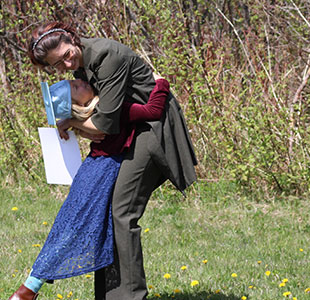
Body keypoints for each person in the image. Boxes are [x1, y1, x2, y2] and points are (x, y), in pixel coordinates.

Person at [23, 21, 197, 300]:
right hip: (129, 131)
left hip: (152, 130)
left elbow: (104, 124)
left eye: (67, 55)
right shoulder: (81, 65)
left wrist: (75, 124)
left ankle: (128, 296)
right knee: (108, 208)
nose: (67, 65)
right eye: (58, 65)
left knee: (123, 211)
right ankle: (109, 295)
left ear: (71, 37)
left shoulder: (106, 56)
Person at [8, 76, 171, 300]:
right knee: (75, 229)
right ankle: (28, 288)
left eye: (76, 82)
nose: (80, 82)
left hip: (91, 170)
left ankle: (28, 289)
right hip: (101, 173)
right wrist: (161, 82)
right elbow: (152, 111)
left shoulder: (96, 114)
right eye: (75, 87)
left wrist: (73, 122)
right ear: (77, 105)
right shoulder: (111, 111)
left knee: (69, 228)